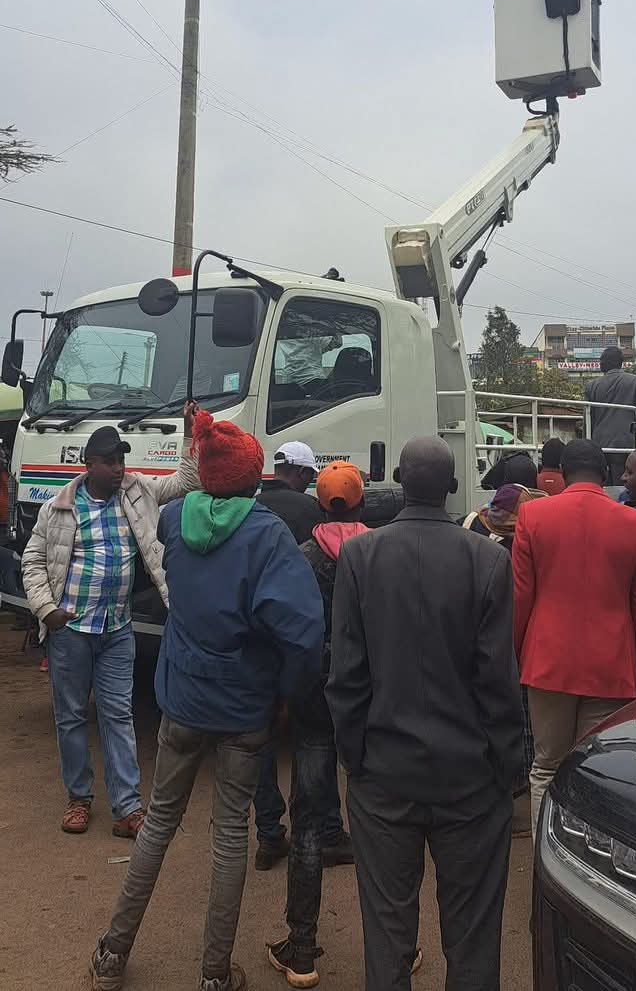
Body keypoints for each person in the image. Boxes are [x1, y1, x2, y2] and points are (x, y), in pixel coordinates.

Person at [91, 410, 324, 991]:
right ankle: (215, 974)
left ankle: (111, 954)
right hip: (243, 707)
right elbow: (302, 633)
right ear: (250, 478)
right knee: (229, 835)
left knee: (158, 823)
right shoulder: (267, 534)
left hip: (182, 699)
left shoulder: (174, 519)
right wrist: (287, 695)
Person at [327, 436, 522, 991]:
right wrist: (507, 770)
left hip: (384, 776)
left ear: (397, 482)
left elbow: (346, 675)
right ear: (453, 487)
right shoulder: (488, 559)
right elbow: (498, 682)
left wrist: (356, 759)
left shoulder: (360, 557)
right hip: (470, 779)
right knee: (474, 936)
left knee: (387, 935)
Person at [22, 404, 199, 838]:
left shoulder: (136, 492)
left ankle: (127, 808)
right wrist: (47, 610)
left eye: (121, 460)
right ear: (90, 464)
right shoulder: (58, 509)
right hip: (71, 632)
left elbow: (185, 482)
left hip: (117, 629)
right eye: (110, 461)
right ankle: (78, 799)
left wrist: (191, 436)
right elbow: (33, 561)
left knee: (118, 714)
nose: (119, 468)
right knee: (70, 716)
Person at [267, 462, 367, 989]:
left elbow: (286, 630)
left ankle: (301, 950)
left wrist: (286, 691)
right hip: (368, 701)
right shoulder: (379, 554)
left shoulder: (300, 558)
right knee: (381, 824)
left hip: (312, 699)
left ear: (318, 506)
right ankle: (398, 945)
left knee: (305, 820)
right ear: (362, 503)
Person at [513, 439, 636, 837]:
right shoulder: (633, 523)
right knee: (597, 768)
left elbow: (521, 597)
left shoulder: (533, 515)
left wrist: (519, 653)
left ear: (563, 474)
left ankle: (544, 856)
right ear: (604, 474)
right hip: (612, 664)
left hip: (548, 660)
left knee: (546, 765)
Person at [255, 443, 346, 873]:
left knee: (261, 739)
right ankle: (324, 832)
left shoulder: (252, 508)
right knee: (314, 738)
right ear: (302, 474)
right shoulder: (311, 512)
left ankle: (269, 835)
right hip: (301, 639)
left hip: (259, 638)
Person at [463, 483, 546, 835]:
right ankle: (508, 798)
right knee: (514, 723)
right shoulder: (515, 541)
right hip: (508, 643)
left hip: (481, 641)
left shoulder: (473, 524)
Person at [585, 346, 636, 483]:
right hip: (627, 443)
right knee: (625, 484)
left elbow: (588, 418)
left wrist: (587, 443)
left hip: (599, 444)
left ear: (605, 362)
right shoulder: (635, 382)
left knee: (603, 484)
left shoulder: (592, 386)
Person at [260, 443, 320, 544]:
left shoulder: (254, 503)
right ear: (302, 472)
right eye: (311, 474)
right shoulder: (311, 507)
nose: (311, 479)